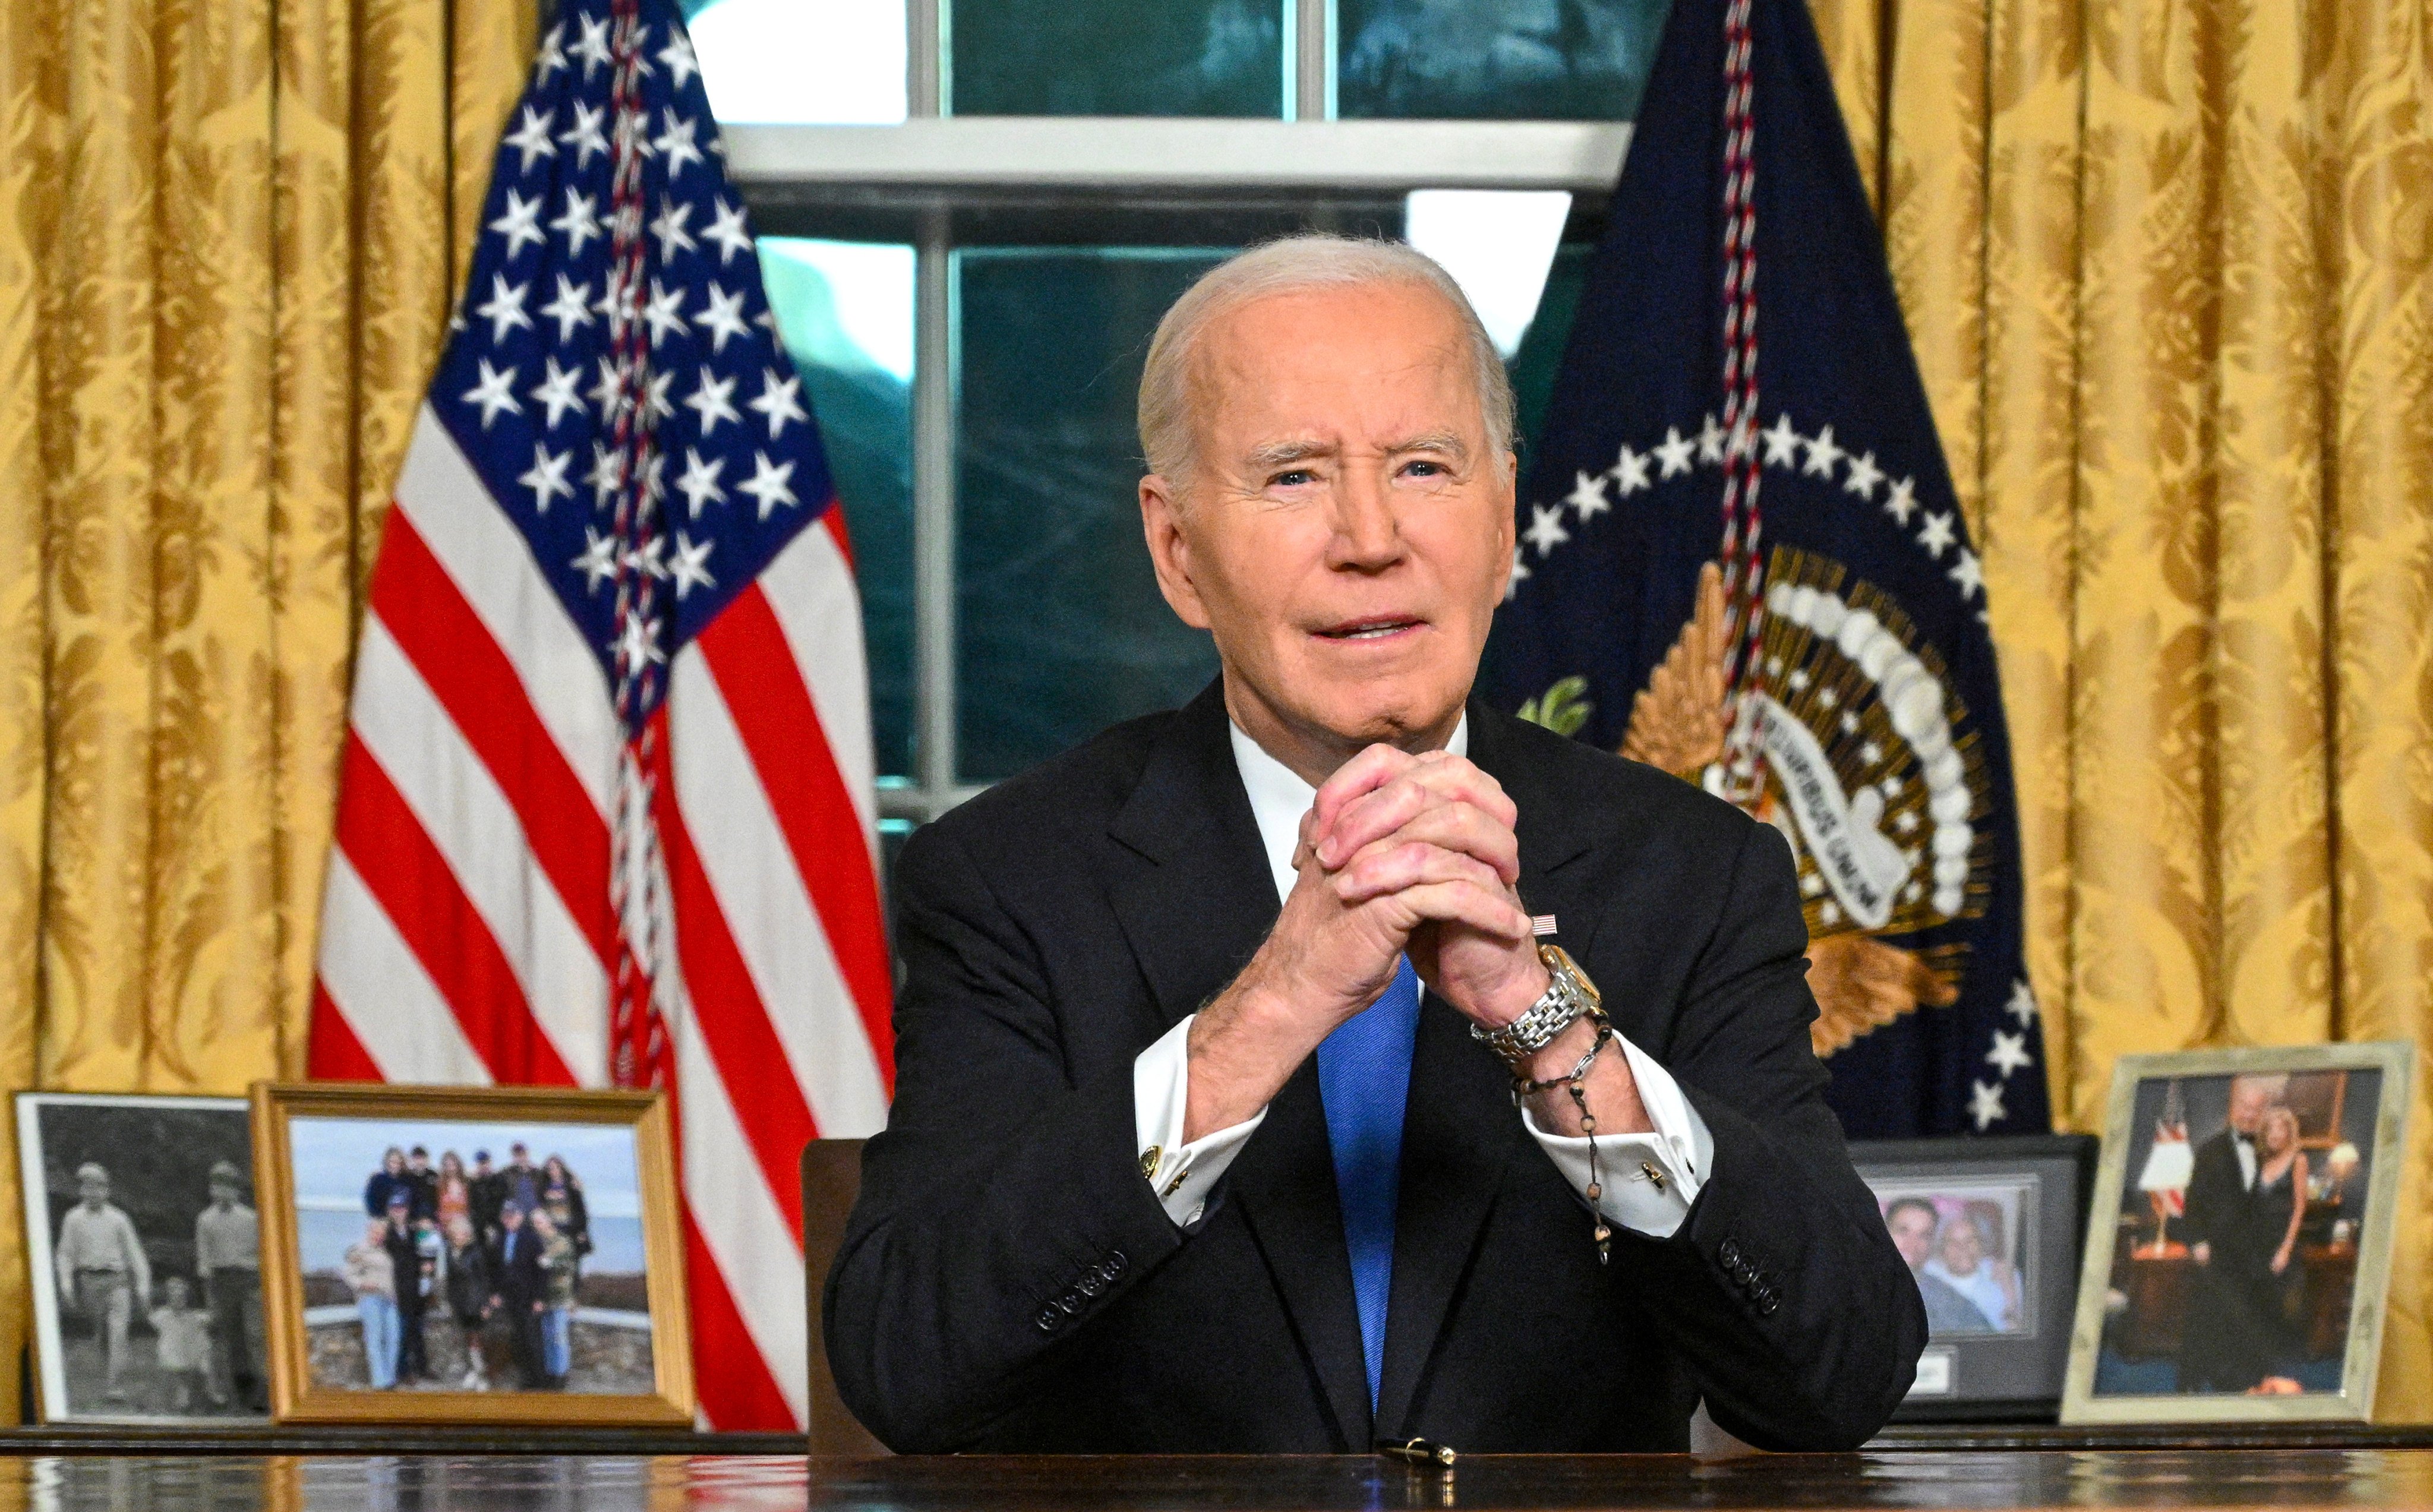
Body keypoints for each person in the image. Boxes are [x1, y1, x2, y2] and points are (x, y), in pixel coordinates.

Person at [826, 235, 1924, 1454]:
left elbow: (1838, 1379)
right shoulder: (1006, 879)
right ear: (1176, 549)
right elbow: (907, 1364)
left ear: (1503, 520)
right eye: (1293, 477)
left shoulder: (1697, 874)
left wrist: (1547, 1026)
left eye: (1420, 466)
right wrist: (1268, 1012)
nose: (1369, 535)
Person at [2180, 1075, 2289, 1391]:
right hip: (2218, 1252)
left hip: (2256, 1255)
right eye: (2244, 1106)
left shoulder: (2273, 1151)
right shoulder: (2209, 1151)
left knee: (2251, 1321)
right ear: (2233, 1106)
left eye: (2258, 1109)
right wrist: (2198, 1242)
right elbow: (2194, 1203)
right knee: (2210, 1319)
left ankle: (2248, 1382)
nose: (2250, 1115)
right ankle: (2193, 1380)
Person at [55, 1161, 150, 1405]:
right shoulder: (73, 1219)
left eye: (98, 1187)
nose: (92, 1192)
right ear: (81, 1190)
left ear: (106, 1190)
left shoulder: (119, 1219)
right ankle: (109, 1375)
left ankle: (115, 1386)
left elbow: (135, 1254)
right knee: (102, 1335)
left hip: (117, 1281)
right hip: (89, 1281)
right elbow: (66, 1253)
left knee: (118, 1331)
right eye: (87, 1187)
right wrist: (66, 1283)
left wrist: (142, 1286)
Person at [193, 1160, 265, 1412]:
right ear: (212, 1190)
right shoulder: (205, 1220)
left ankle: (263, 1391)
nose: (223, 1192)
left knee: (254, 1334)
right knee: (231, 1338)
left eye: (229, 1187)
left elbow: (262, 1253)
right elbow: (204, 1258)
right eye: (218, 1186)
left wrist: (258, 1281)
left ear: (237, 1190)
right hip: (221, 1280)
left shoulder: (250, 1218)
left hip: (248, 1279)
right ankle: (242, 1391)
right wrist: (209, 1291)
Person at [1883, 1197, 1992, 1334]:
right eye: (1903, 1231)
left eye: (1924, 1236)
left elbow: (1986, 1339)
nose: (1912, 1245)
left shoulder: (1949, 1301)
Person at [1921, 1211, 2016, 1332]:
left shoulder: (2004, 1276)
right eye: (1952, 1242)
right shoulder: (1927, 1274)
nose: (1962, 1248)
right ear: (1941, 1249)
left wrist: (2010, 1296)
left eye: (1970, 1240)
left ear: (1982, 1243)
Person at [493, 1201, 548, 1390]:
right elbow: (497, 1270)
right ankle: (526, 1379)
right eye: (505, 1216)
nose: (508, 1220)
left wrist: (540, 1298)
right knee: (519, 1339)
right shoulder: (500, 1239)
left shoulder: (532, 1239)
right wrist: (498, 1294)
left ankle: (540, 1380)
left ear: (520, 1217)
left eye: (512, 1216)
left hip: (530, 1297)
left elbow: (543, 1271)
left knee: (533, 1339)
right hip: (511, 1298)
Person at [380, 1192, 431, 1384]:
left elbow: (428, 1250)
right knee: (400, 1332)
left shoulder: (414, 1232)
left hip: (416, 1289)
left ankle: (422, 1368)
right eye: (395, 1209)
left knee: (417, 1330)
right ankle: (402, 1371)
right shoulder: (387, 1235)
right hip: (397, 1290)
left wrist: (426, 1269)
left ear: (407, 1211)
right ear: (390, 1212)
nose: (399, 1212)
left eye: (401, 1209)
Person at [343, 1217, 400, 1390]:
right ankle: (380, 1381)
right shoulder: (360, 1251)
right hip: (370, 1299)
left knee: (393, 1338)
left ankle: (390, 1379)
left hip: (389, 1300)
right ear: (369, 1231)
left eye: (382, 1233)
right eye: (375, 1232)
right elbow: (348, 1275)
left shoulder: (387, 1251)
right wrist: (363, 1284)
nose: (378, 1236)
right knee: (374, 1339)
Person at [441, 1215, 497, 1390]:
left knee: (477, 1340)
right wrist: (449, 1301)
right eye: (456, 1233)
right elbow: (450, 1280)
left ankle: (482, 1376)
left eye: (463, 1233)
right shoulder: (450, 1252)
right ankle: (473, 1371)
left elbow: (484, 1280)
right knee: (467, 1339)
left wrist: (486, 1304)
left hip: (476, 1302)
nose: (459, 1237)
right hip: (460, 1304)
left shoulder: (476, 1252)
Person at [148, 1275, 216, 1412]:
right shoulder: (162, 1315)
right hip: (174, 1352)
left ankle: (211, 1393)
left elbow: (212, 1317)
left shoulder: (196, 1316)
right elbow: (150, 1317)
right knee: (181, 1374)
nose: (178, 1298)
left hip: (194, 1352)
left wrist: (209, 1294)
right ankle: (184, 1398)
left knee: (204, 1361)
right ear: (168, 1297)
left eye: (181, 1296)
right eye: (173, 1293)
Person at [532, 1207, 578, 1390]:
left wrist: (550, 1263)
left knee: (559, 1338)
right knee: (547, 1337)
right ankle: (551, 1374)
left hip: (561, 1296)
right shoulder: (537, 1243)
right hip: (544, 1297)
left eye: (540, 1222)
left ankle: (561, 1376)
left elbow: (568, 1265)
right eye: (535, 1223)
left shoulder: (562, 1241)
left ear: (548, 1222)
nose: (538, 1226)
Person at [539, 1156, 590, 1279]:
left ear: (562, 1168)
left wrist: (581, 1231)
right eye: (550, 1169)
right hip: (551, 1232)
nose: (553, 1171)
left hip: (570, 1230)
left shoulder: (571, 1187)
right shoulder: (544, 1187)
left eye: (556, 1168)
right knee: (552, 1266)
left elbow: (581, 1211)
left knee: (572, 1267)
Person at [469, 1150, 506, 1250]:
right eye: (481, 1163)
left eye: (485, 1162)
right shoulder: (474, 1183)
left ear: (490, 1162)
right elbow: (473, 1205)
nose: (483, 1166)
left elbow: (503, 1202)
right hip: (481, 1226)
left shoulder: (499, 1179)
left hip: (498, 1224)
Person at [363, 1147, 412, 1220]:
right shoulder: (377, 1180)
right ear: (387, 1162)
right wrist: (379, 1217)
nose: (394, 1165)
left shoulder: (408, 1180)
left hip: (404, 1220)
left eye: (398, 1162)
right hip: (382, 1218)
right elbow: (370, 1200)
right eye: (392, 1162)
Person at [436, 1151, 473, 1238]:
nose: (450, 1168)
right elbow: (437, 1207)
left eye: (453, 1165)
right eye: (447, 1165)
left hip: (462, 1229)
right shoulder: (440, 1186)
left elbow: (469, 1207)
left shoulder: (466, 1184)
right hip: (444, 1228)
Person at [500, 1143, 543, 1218]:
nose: (520, 1158)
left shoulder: (538, 1173)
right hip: (517, 1215)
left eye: (522, 1154)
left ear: (527, 1154)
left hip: (536, 1215)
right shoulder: (507, 1172)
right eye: (517, 1155)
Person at [405, 1147, 440, 1221]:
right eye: (417, 1159)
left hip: (432, 1215)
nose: (420, 1162)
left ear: (427, 1159)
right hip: (413, 1216)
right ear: (412, 1160)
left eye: (422, 1159)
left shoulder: (433, 1175)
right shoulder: (407, 1177)